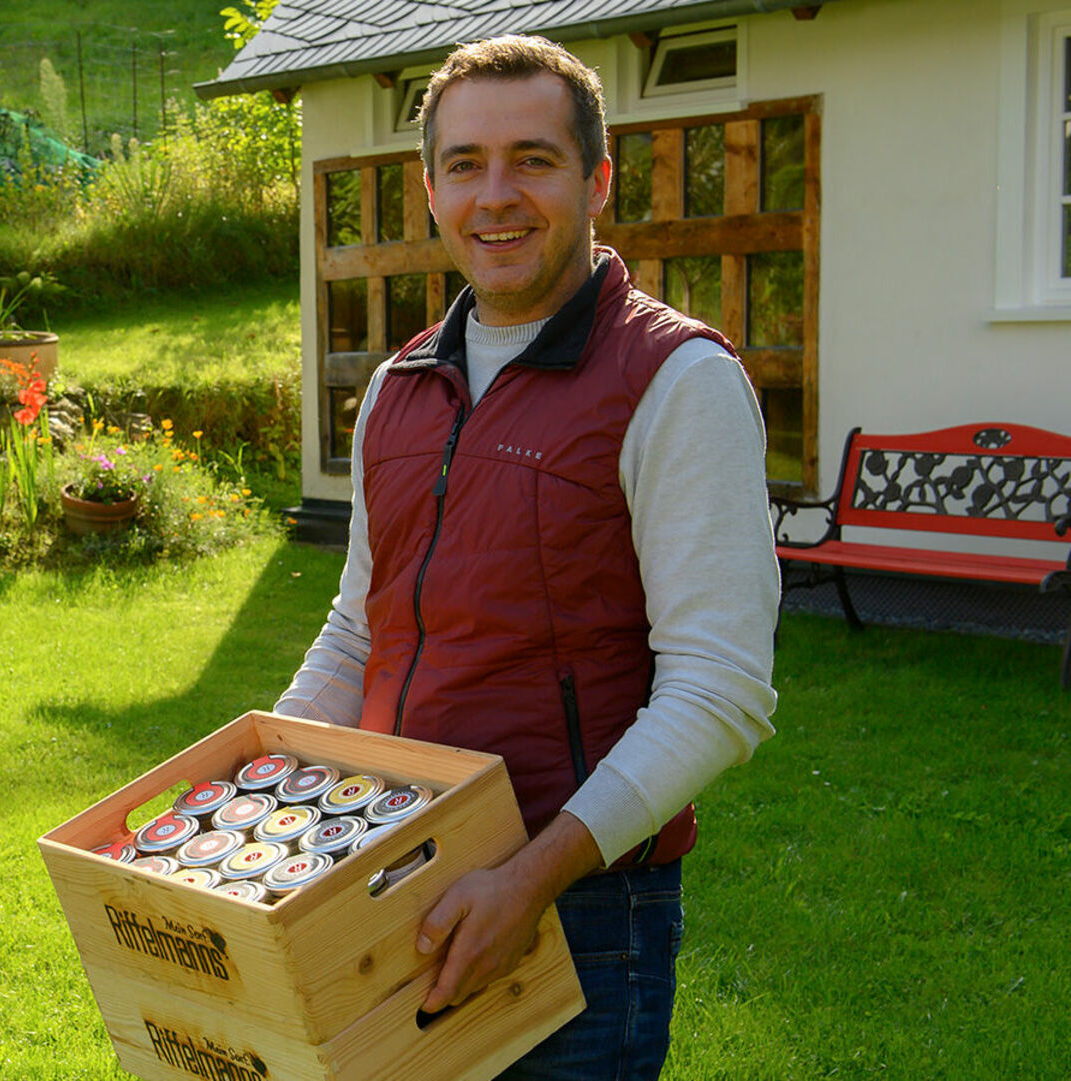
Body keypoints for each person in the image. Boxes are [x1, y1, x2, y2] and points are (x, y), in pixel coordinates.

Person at [274, 34, 779, 1080]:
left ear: (598, 179)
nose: (495, 195)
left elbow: (719, 689)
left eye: (533, 160)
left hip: (584, 912)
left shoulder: (677, 380)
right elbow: (360, 629)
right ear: (430, 190)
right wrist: (266, 787)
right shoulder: (398, 387)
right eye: (465, 165)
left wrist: (530, 878)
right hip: (391, 879)